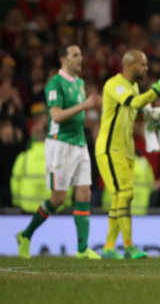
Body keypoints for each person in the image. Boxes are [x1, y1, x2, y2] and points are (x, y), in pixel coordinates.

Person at [16, 44, 102, 259]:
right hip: (60, 144)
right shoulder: (54, 83)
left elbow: (79, 114)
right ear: (63, 60)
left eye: (81, 54)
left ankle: (82, 250)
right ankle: (26, 235)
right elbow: (56, 116)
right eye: (75, 55)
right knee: (58, 198)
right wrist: (84, 106)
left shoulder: (79, 83)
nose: (80, 58)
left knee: (84, 194)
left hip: (80, 144)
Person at [95, 50, 160, 260]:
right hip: (110, 148)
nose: (146, 69)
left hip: (126, 148)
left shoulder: (134, 86)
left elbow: (134, 113)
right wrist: (156, 90)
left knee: (123, 197)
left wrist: (153, 116)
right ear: (129, 66)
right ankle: (119, 246)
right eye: (143, 65)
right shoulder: (114, 84)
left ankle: (114, 247)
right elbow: (133, 103)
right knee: (124, 195)